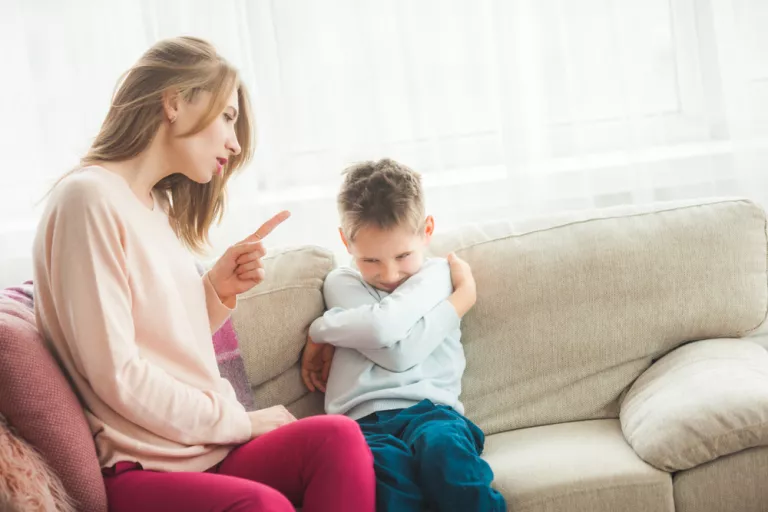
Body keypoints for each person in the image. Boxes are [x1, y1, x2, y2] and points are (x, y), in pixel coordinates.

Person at [33, 36, 375, 512]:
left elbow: (163, 342)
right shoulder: (88, 199)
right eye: (228, 117)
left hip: (203, 452)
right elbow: (117, 373)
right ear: (174, 102)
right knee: (262, 506)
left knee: (338, 438)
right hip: (143, 465)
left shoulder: (154, 206)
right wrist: (238, 421)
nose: (235, 144)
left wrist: (214, 290)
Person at [301, 159, 506, 511]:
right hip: (362, 424)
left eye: (403, 255)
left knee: (449, 462)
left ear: (427, 230)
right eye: (371, 261)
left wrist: (322, 329)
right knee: (386, 487)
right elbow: (388, 336)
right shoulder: (341, 282)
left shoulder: (439, 274)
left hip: (433, 413)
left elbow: (393, 346)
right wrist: (459, 301)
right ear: (344, 241)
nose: (390, 274)